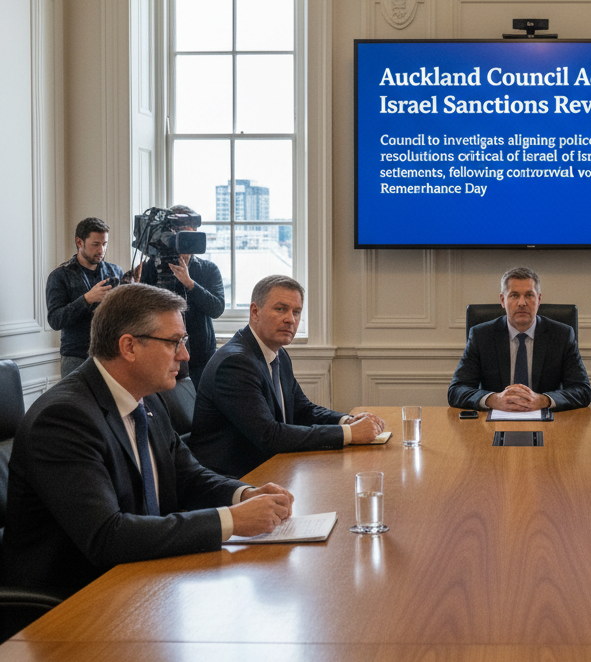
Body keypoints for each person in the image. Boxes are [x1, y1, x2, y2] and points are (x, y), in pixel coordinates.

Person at [3, 284, 294, 598]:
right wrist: (231, 520)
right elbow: (107, 536)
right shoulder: (64, 418)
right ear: (129, 347)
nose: (185, 355)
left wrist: (244, 494)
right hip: (72, 602)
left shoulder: (147, 399)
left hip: (141, 578)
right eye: (174, 342)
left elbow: (188, 476)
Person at [190, 275, 384, 478]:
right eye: (280, 309)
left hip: (272, 470)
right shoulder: (235, 363)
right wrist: (350, 434)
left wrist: (347, 421)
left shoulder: (277, 353)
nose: (290, 319)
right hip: (236, 481)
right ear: (255, 312)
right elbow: (270, 436)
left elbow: (303, 410)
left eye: (296, 312)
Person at [448, 266, 591, 411]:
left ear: (539, 299)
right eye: (514, 295)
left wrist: (544, 400)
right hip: (493, 423)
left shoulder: (562, 335)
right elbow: (456, 390)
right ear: (503, 300)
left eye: (529, 295)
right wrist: (493, 399)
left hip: (548, 422)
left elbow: (582, 391)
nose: (522, 303)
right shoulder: (481, 336)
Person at [138, 205, 225, 385]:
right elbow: (143, 312)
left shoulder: (208, 269)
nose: (184, 238)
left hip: (201, 357)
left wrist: (190, 284)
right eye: (178, 232)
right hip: (162, 355)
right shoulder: (152, 267)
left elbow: (217, 309)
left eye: (188, 232)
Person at [46, 216, 125, 377]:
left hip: (110, 354)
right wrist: (87, 299)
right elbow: (55, 320)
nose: (101, 250)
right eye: (95, 244)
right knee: (75, 402)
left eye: (104, 244)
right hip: (76, 356)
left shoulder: (116, 272)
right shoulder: (60, 276)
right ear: (79, 242)